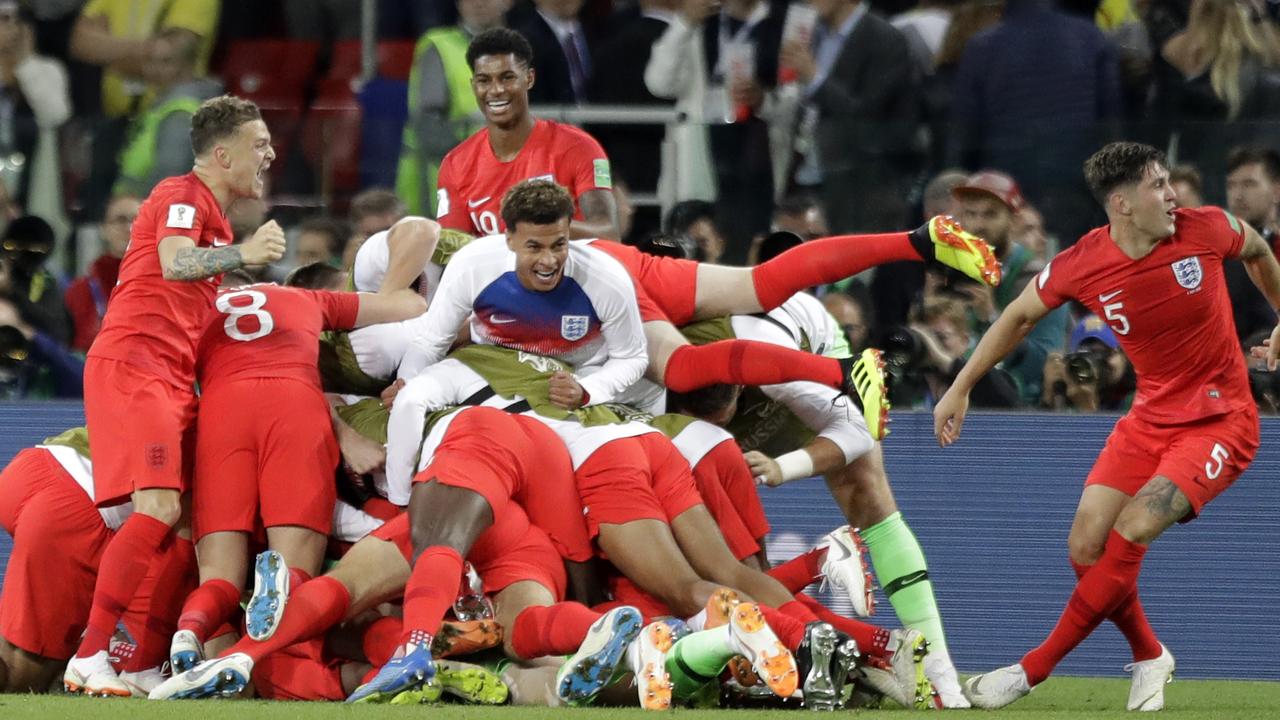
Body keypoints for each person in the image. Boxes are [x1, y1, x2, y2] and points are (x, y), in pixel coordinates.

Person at [934, 141, 1280, 710]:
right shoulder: (1082, 263)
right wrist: (960, 385)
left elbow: (1260, 248)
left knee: (1135, 528)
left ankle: (1030, 670)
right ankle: (1149, 655)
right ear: (1121, 203)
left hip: (1222, 422)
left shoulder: (1207, 228)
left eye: (1170, 182)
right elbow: (1018, 315)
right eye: (1157, 186)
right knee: (1085, 547)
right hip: (1149, 419)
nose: (1172, 195)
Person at [64, 95, 287, 697]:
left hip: (158, 374)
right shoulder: (183, 194)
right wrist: (244, 253)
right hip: (137, 367)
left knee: (176, 519)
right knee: (159, 510)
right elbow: (175, 261)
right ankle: (89, 656)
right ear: (223, 153)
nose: (269, 154)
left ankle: (135, 661)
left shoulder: (206, 208)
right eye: (258, 143)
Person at [168, 278, 427, 673]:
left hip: (222, 410)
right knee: (296, 577)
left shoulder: (192, 309)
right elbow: (407, 305)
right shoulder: (307, 297)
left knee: (219, 579)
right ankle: (280, 590)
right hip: (295, 403)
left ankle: (189, 631)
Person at [434, 28, 619, 240]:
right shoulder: (455, 164)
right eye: (484, 80)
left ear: (529, 78)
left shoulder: (579, 147)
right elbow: (452, 249)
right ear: (474, 85)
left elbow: (609, 233)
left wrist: (537, 231)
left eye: (507, 78)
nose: (496, 90)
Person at [396, 0, 510, 217]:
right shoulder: (439, 46)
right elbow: (429, 124)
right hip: (446, 185)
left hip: (499, 182)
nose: (478, 4)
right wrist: (476, 165)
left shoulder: (522, 49)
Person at [113, 27, 223, 197]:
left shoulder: (181, 114)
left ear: (188, 65)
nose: (154, 69)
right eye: (149, 60)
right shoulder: (165, 105)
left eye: (166, 62)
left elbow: (169, 176)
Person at [66, 194, 141, 352]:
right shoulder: (79, 291)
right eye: (120, 220)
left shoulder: (163, 284)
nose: (129, 228)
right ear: (104, 229)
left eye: (137, 220)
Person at [1223, 146, 1280, 341]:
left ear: (1277, 190)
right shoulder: (1219, 255)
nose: (1237, 195)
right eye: (1231, 185)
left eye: (1249, 184)